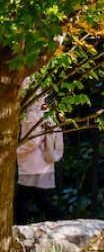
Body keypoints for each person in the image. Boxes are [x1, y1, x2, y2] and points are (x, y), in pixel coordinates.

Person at [15, 89, 64, 225]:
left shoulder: (31, 114)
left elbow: (32, 141)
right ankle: (61, 221)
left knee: (23, 202)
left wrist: (13, 151)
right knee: (40, 201)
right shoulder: (49, 114)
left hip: (31, 164)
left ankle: (19, 231)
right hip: (45, 164)